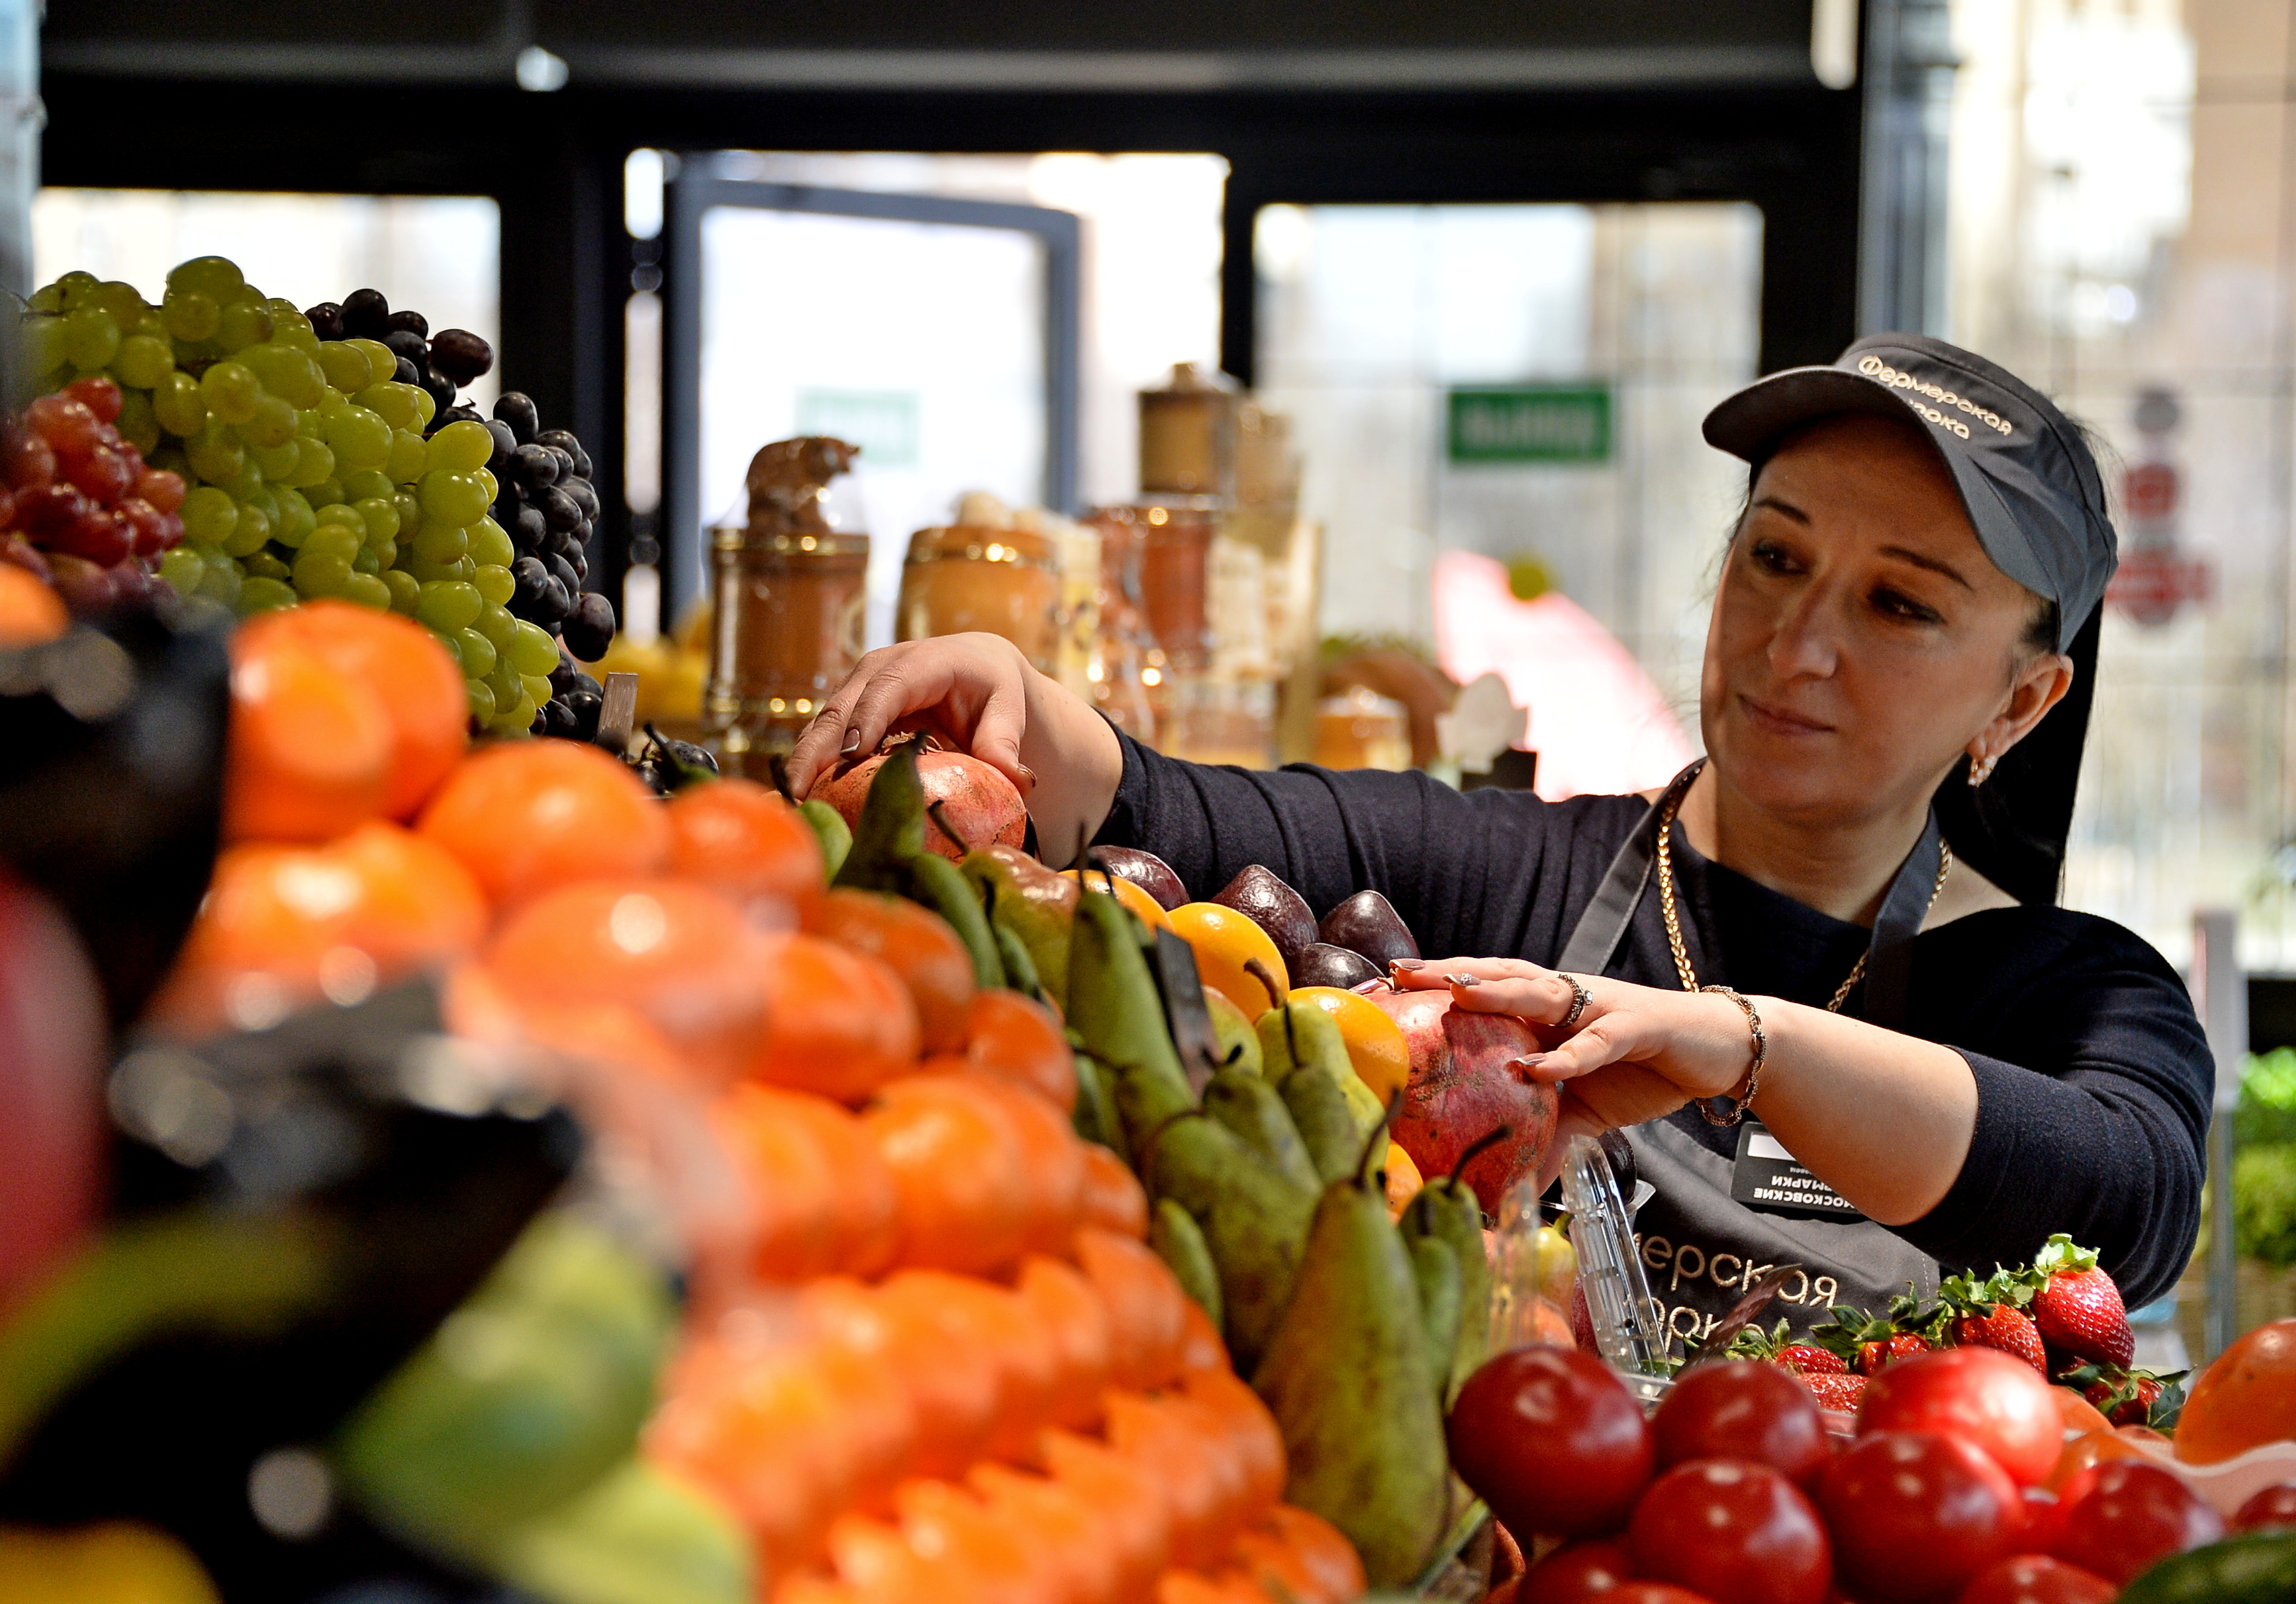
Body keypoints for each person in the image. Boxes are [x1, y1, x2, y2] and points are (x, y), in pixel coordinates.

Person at [788, 335, 2214, 1341]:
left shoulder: (2069, 991)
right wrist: (1026, 706)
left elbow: (2131, 1194)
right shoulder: (1516, 876)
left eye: (1899, 605)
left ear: (2021, 701)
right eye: (1776, 558)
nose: (1799, 642)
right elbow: (1188, 815)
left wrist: (1745, 1042)